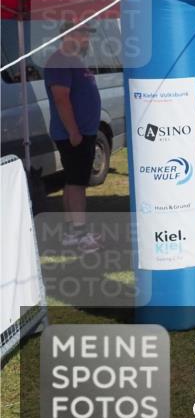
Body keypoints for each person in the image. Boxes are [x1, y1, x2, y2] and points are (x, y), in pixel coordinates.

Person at [44, 22, 103, 252]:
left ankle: (72, 233)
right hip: (74, 135)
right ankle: (80, 235)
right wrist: (74, 132)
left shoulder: (74, 60)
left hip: (81, 133)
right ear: (69, 35)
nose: (88, 38)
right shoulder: (60, 61)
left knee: (72, 182)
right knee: (78, 184)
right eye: (84, 33)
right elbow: (61, 99)